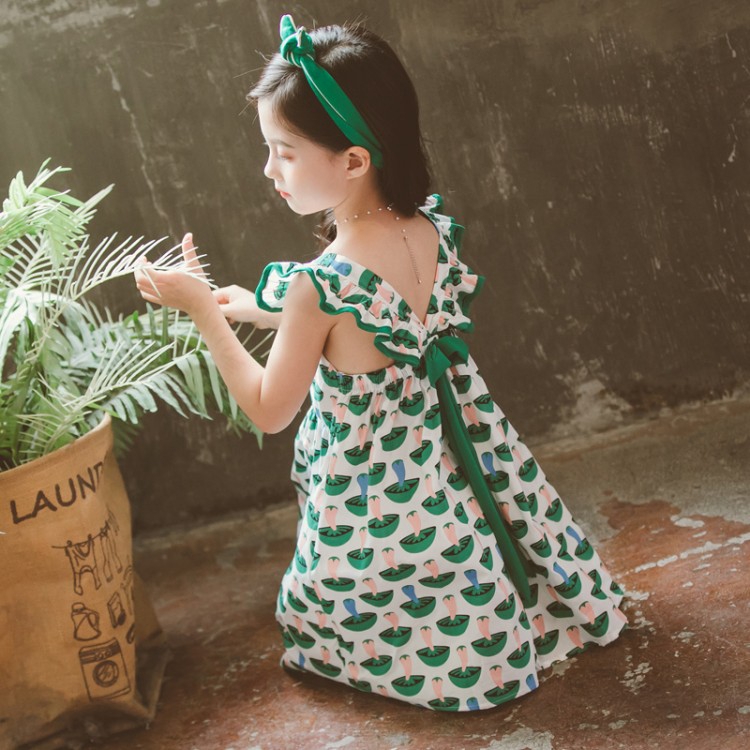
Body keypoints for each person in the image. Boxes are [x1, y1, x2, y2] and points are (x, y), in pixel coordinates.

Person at [134, 13, 628, 712]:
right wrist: (256, 307)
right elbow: (377, 319)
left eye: (284, 152)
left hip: (374, 483)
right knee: (463, 540)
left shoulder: (318, 286)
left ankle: (402, 658)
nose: (268, 170)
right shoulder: (427, 227)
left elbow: (270, 409)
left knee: (351, 580)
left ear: (354, 161)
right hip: (443, 448)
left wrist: (203, 314)